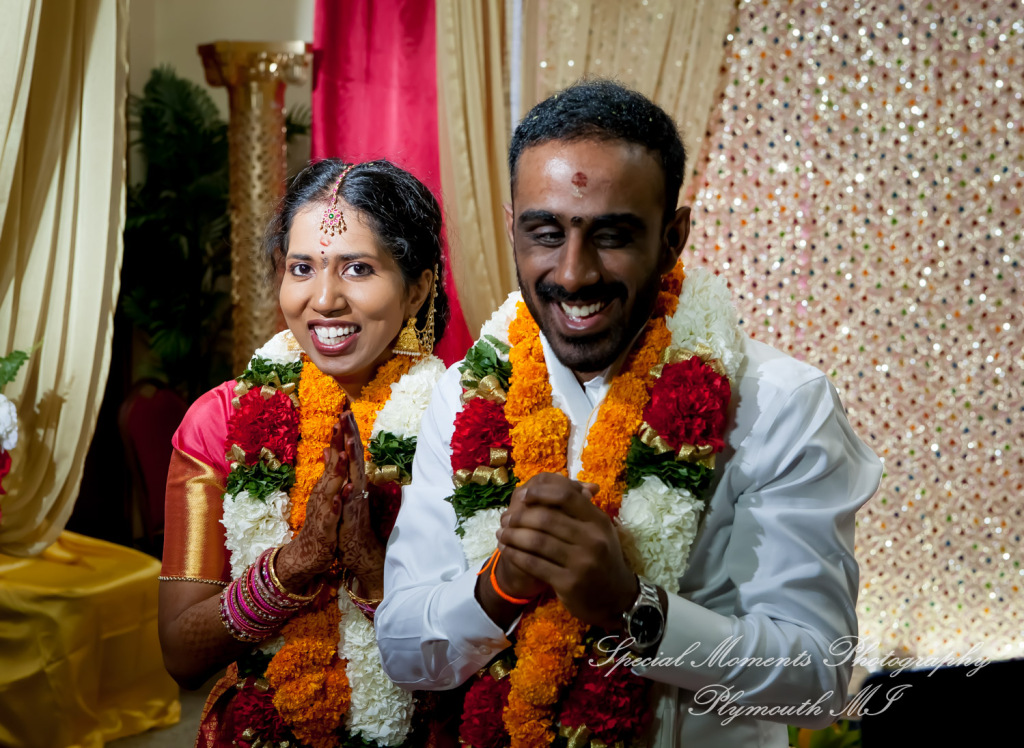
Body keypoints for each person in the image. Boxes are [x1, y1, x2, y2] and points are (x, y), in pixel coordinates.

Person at [375, 80, 883, 747]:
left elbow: (818, 676)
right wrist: (501, 585)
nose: (575, 273)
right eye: (545, 233)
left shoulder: (782, 404)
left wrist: (630, 605)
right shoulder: (469, 394)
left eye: (611, 235)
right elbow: (404, 649)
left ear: (674, 237)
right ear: (510, 229)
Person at [158, 159, 456, 747]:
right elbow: (179, 652)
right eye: (303, 268)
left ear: (417, 287)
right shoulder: (219, 422)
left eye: (358, 269)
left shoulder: (467, 425)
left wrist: (371, 568)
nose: (324, 299)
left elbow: (474, 654)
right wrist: (300, 562)